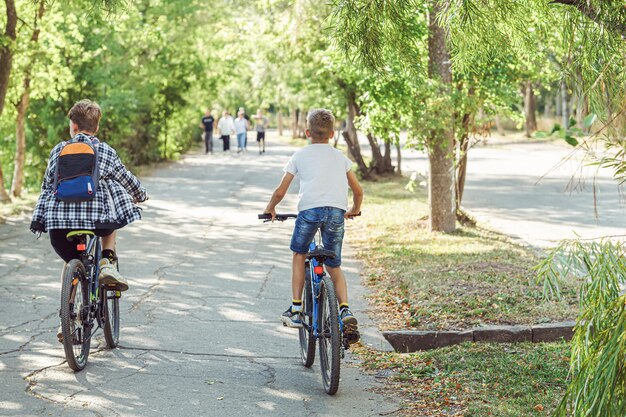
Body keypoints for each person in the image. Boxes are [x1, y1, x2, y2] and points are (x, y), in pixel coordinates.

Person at [29, 100, 147, 339]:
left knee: (71, 262)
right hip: (97, 222)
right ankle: (106, 262)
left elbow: (45, 186)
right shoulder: (105, 151)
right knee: (111, 211)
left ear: (72, 125)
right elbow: (125, 178)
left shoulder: (57, 151)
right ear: (97, 127)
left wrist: (39, 219)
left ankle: (66, 318)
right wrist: (140, 195)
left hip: (59, 225)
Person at [263, 108, 363, 345]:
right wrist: (354, 209)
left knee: (299, 253)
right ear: (331, 135)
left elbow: (280, 191)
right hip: (336, 214)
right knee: (334, 264)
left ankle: (297, 310)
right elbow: (358, 191)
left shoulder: (299, 155)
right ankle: (345, 310)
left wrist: (270, 208)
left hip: (309, 212)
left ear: (307, 132)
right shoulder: (341, 158)